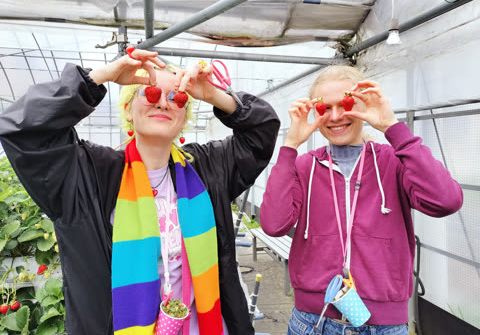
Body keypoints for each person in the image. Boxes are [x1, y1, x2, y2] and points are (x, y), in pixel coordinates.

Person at [0, 48, 280, 335]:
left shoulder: (207, 168)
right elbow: (25, 129)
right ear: (127, 111)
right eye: (149, 93)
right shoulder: (88, 173)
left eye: (177, 97)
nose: (163, 102)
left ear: (184, 119)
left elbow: (262, 131)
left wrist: (213, 95)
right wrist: (100, 77)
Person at [260, 65, 463, 335]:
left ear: (362, 104)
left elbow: (446, 201)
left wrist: (392, 127)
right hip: (312, 321)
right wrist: (289, 146)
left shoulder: (393, 161)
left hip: (384, 325)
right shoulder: (303, 166)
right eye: (324, 108)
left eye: (345, 104)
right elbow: (274, 224)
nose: (335, 117)